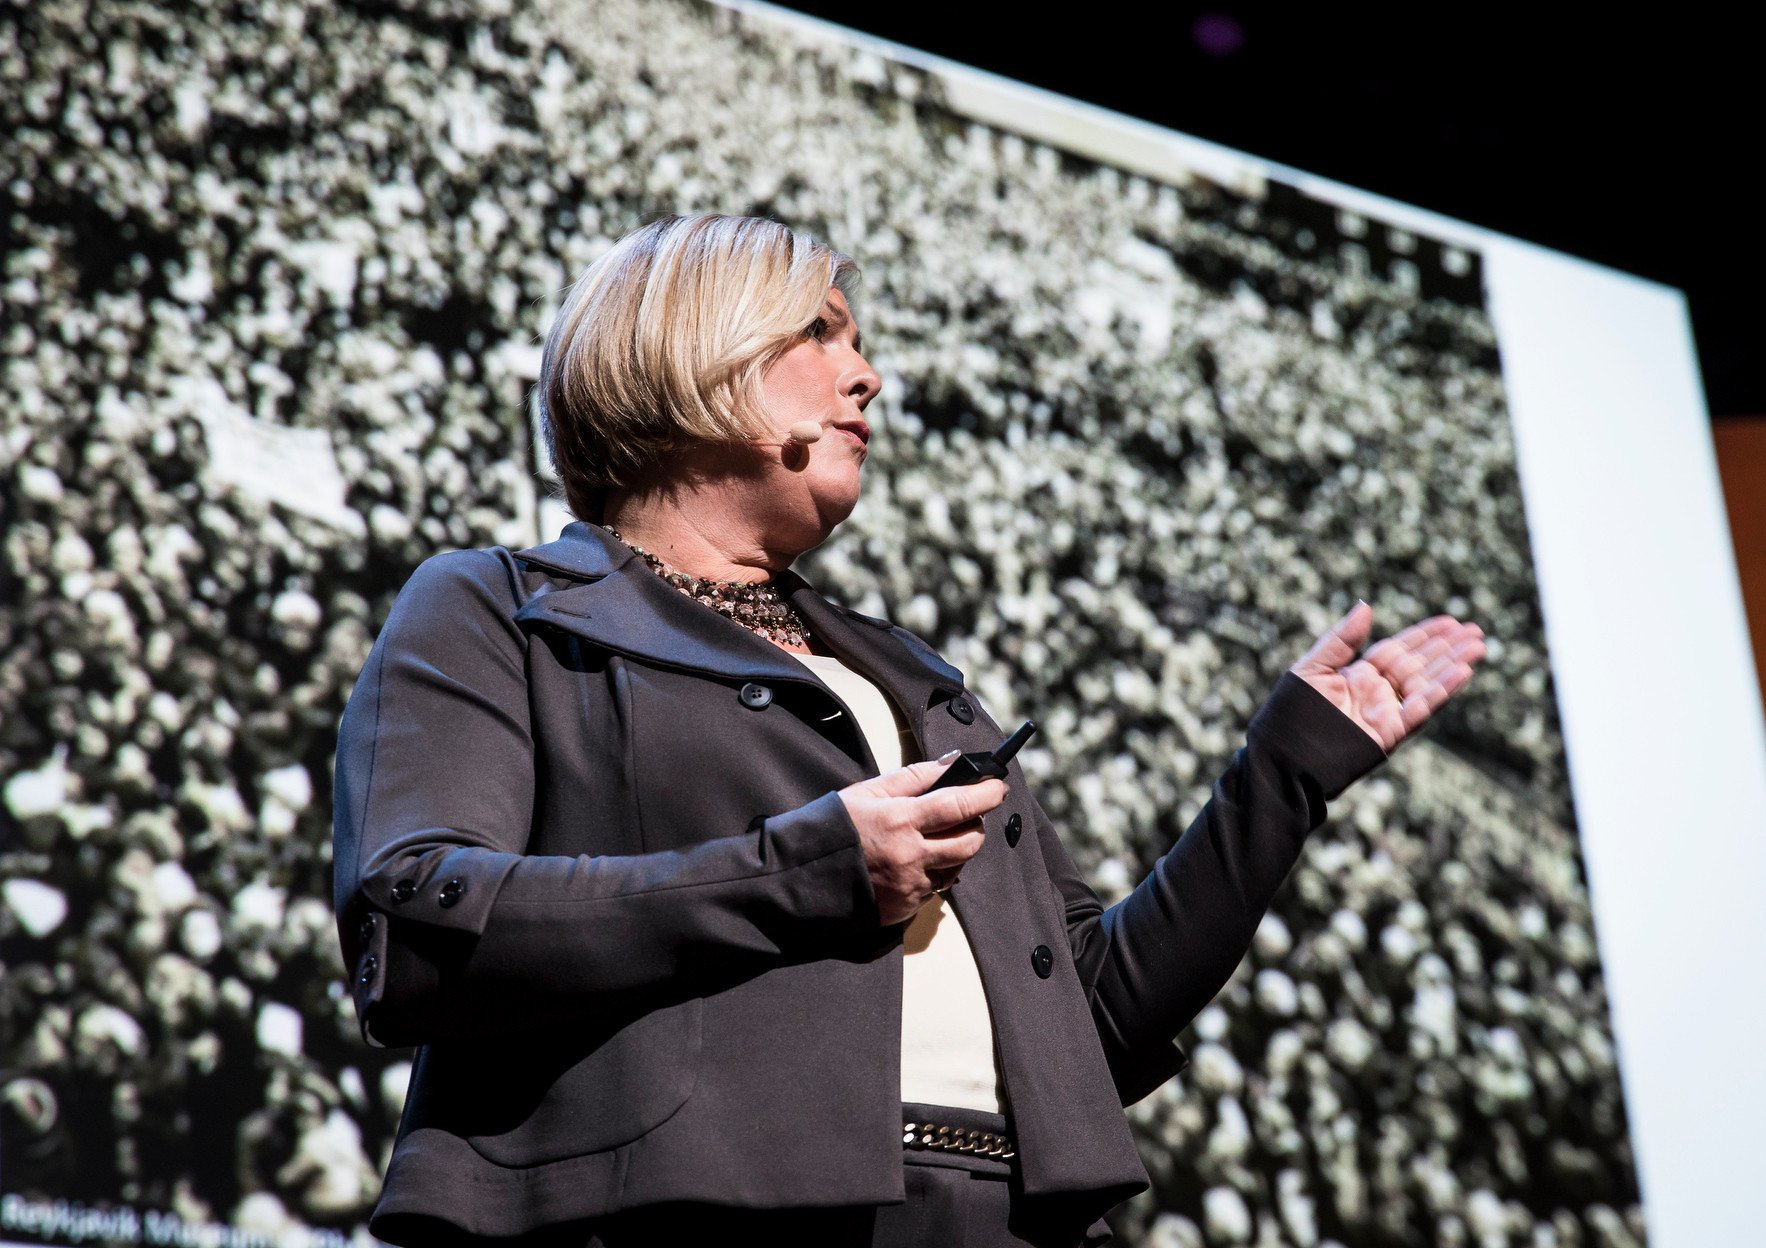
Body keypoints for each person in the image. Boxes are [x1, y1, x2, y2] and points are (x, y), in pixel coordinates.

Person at [331, 213, 1485, 1247]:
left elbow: (1089, 1014)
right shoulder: (501, 607)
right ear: (701, 354)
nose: (867, 375)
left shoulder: (906, 673)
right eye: (823, 336)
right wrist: (807, 869)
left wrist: (1283, 772)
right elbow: (419, 922)